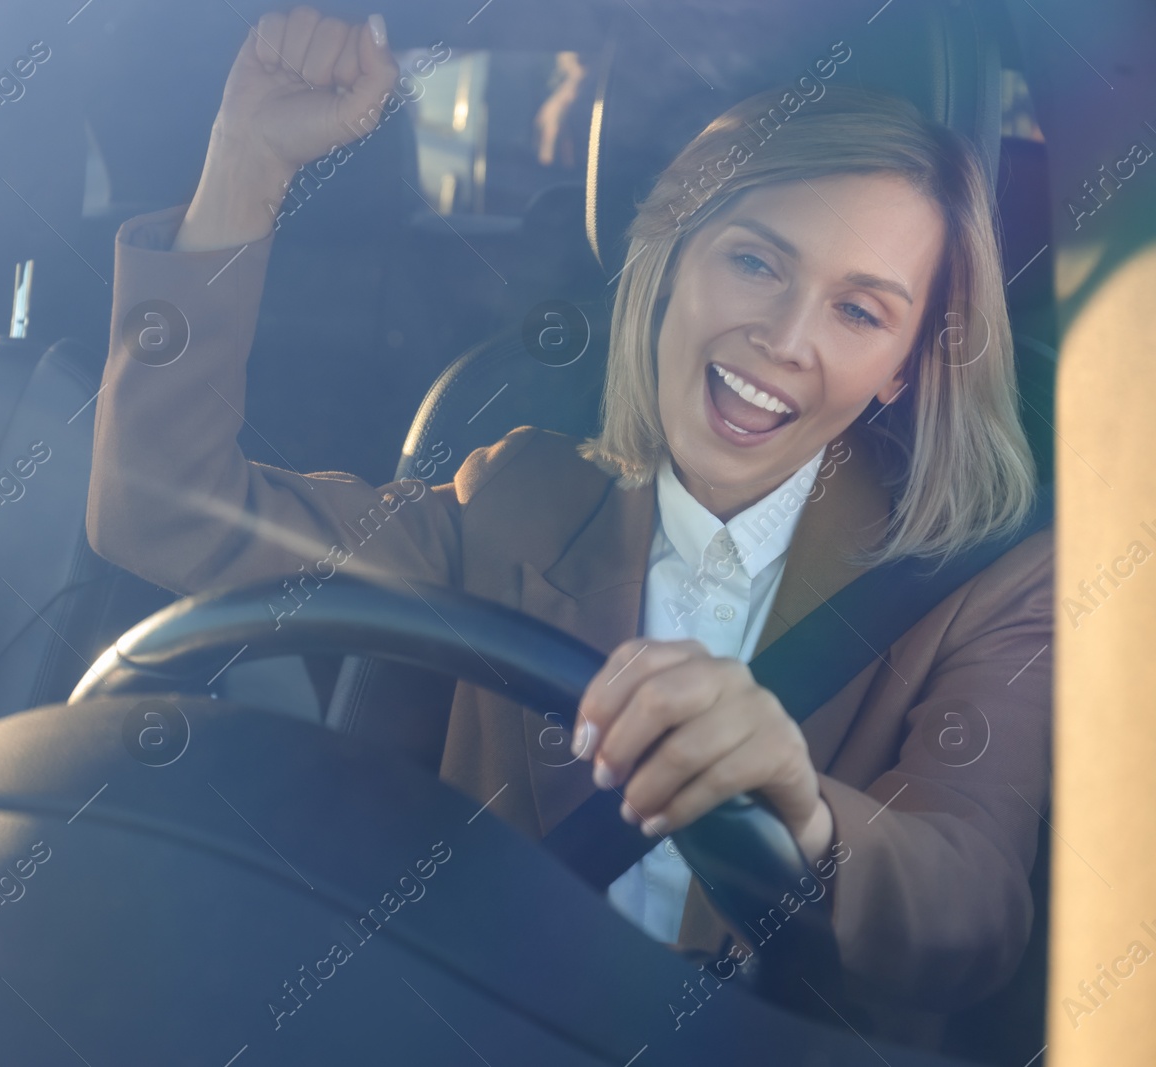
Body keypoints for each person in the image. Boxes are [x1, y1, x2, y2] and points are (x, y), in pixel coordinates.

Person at [86, 6, 1051, 1044]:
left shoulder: (981, 580)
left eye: (858, 312)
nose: (782, 340)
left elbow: (970, 914)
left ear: (904, 365)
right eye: (756, 263)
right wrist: (244, 167)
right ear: (675, 255)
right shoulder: (514, 495)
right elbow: (159, 507)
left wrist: (803, 813)